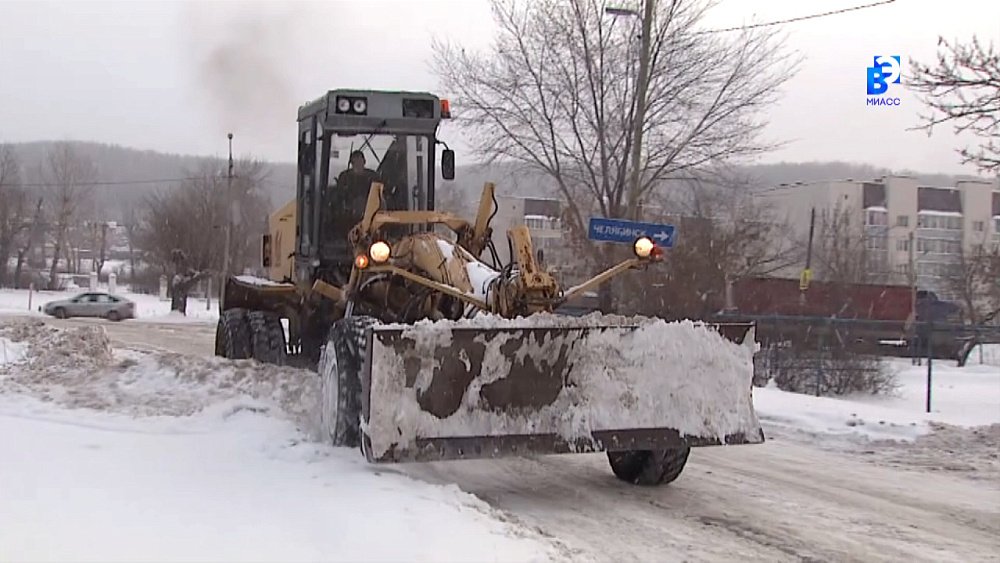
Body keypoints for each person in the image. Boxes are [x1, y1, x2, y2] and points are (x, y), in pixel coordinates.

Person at [335, 150, 380, 219]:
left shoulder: (373, 176)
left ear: (364, 162)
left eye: (360, 162)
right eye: (355, 162)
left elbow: (378, 194)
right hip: (349, 216)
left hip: (371, 212)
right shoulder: (345, 177)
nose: (358, 165)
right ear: (351, 163)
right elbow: (340, 196)